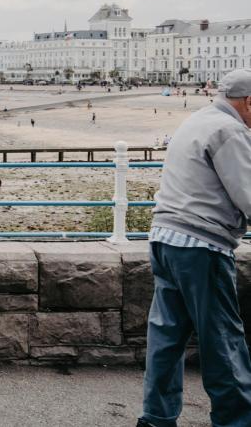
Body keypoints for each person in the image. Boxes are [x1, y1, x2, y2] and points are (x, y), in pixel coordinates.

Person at [138, 69, 251, 427]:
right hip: (201, 246)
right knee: (222, 340)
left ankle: (156, 418)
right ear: (248, 102)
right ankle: (237, 421)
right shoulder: (229, 131)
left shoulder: (198, 118)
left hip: (164, 238)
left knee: (166, 338)